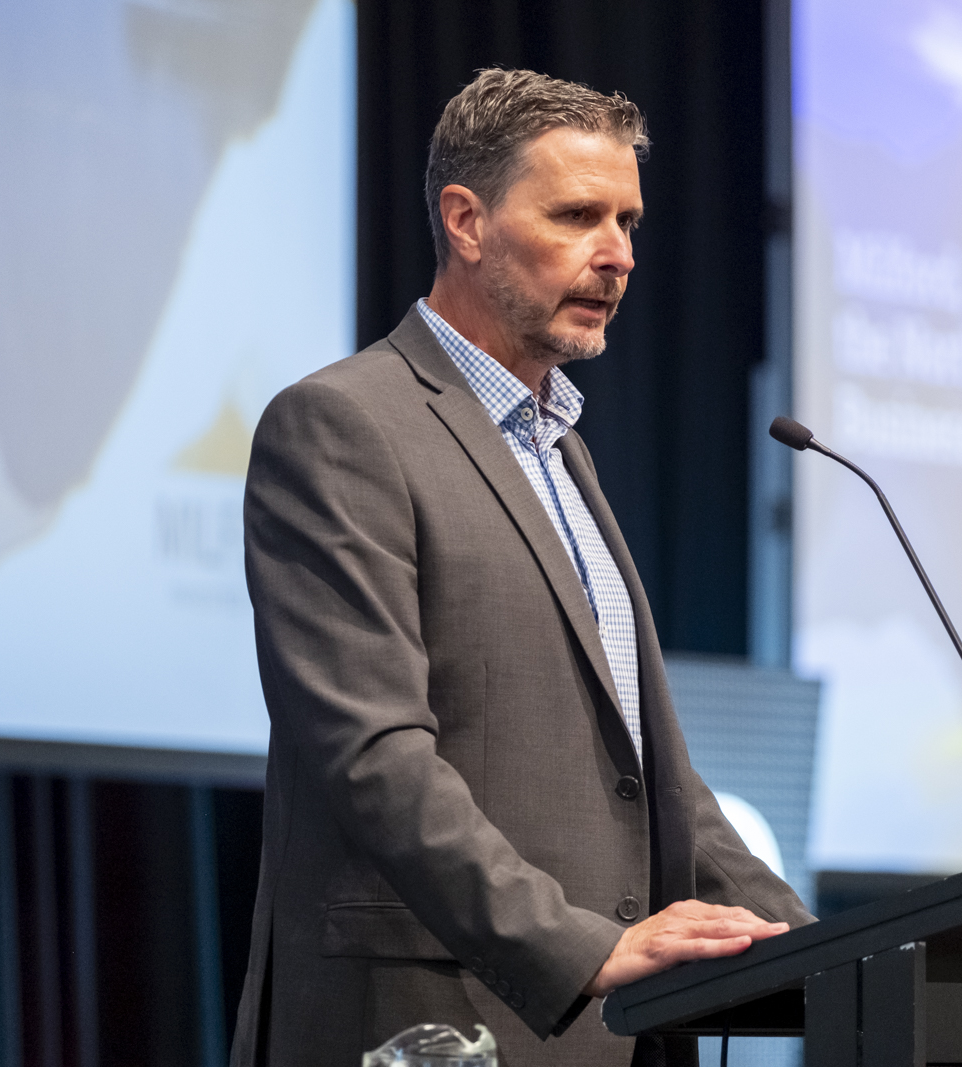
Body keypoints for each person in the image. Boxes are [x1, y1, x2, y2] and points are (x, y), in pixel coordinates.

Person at [230, 68, 815, 1067]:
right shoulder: (342, 425)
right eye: (579, 216)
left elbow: (659, 782)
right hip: (427, 1021)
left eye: (628, 221)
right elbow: (374, 755)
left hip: (603, 1030)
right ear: (466, 221)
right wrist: (579, 948)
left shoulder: (561, 451)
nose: (619, 254)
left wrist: (823, 950)